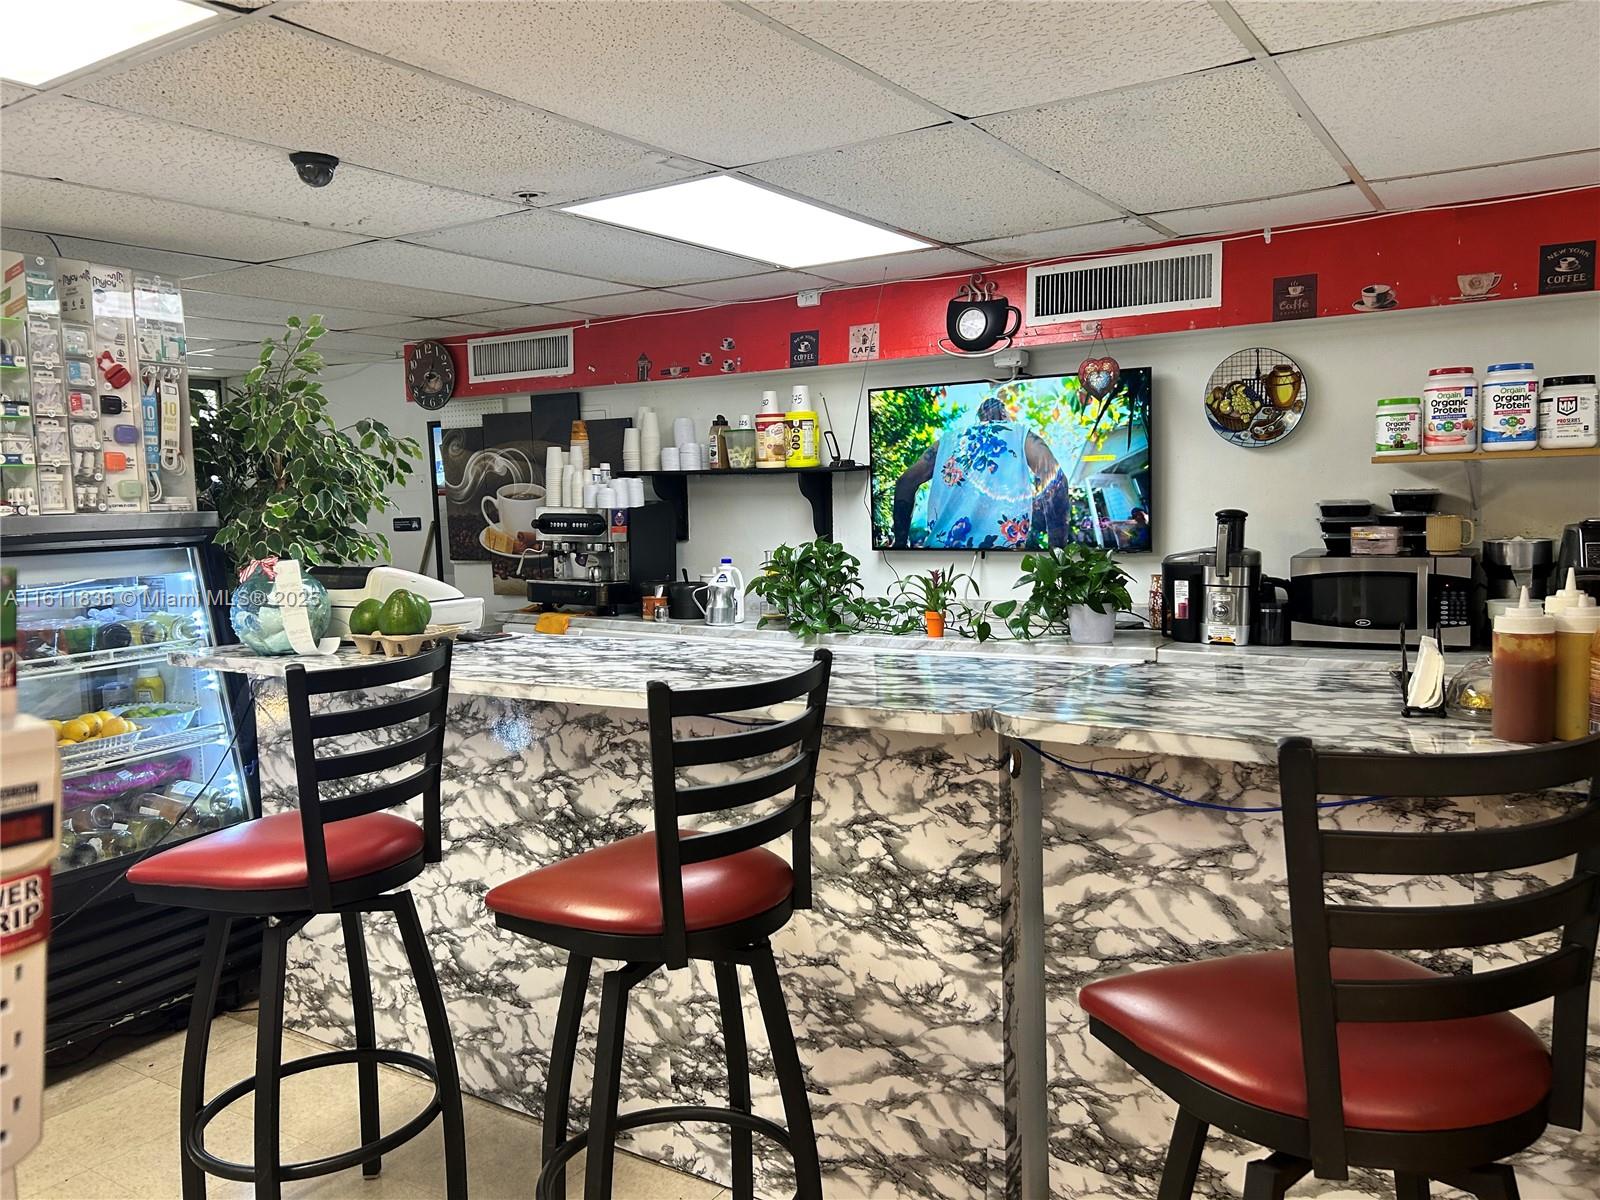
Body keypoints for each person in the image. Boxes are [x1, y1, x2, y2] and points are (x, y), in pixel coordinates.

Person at [891, 396, 1068, 549]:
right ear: (1004, 414)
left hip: (940, 556)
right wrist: (1057, 552)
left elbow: (905, 482)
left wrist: (900, 544)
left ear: (979, 417)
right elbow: (1056, 481)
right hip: (1004, 559)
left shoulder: (946, 441)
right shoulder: (1020, 434)